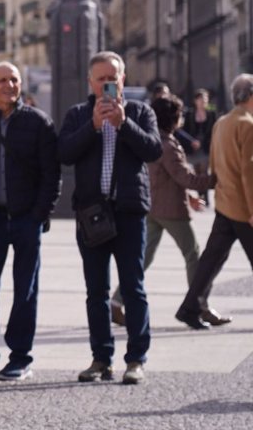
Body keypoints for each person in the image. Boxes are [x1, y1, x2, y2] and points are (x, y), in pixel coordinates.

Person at [58, 51, 161, 385]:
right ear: (91, 82)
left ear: (123, 79)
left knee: (133, 287)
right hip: (92, 214)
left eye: (112, 77)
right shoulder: (77, 115)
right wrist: (93, 126)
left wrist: (123, 124)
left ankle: (136, 359)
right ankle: (101, 358)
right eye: (100, 78)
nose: (107, 83)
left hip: (130, 212)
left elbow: (153, 150)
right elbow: (65, 153)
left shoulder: (141, 112)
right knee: (96, 291)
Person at [0, 62, 60, 382]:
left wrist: (39, 214)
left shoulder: (39, 122)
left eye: (14, 79)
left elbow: (51, 174)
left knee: (25, 291)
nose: (9, 85)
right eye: (2, 80)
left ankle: (20, 357)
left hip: (26, 221)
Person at [102, 95, 214, 326]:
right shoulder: (169, 145)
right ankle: (198, 305)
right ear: (173, 118)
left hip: (152, 206)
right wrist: (213, 181)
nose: (182, 118)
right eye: (180, 115)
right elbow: (184, 177)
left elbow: (165, 178)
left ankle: (115, 302)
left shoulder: (153, 139)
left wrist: (191, 197)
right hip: (170, 210)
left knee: (143, 258)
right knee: (193, 255)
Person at [176, 73, 253, 329]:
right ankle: (190, 307)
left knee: (211, 260)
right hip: (243, 207)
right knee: (212, 259)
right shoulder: (247, 124)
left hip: (224, 202)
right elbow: (249, 171)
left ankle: (190, 308)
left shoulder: (221, 122)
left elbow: (213, 163)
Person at [183, 88, 218, 205]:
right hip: (194, 147)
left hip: (205, 147)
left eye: (205, 100)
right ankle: (200, 196)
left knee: (204, 171)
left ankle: (206, 197)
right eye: (201, 100)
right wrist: (191, 141)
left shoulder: (212, 114)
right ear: (196, 101)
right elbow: (185, 130)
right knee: (197, 173)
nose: (204, 102)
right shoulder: (189, 114)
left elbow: (215, 130)